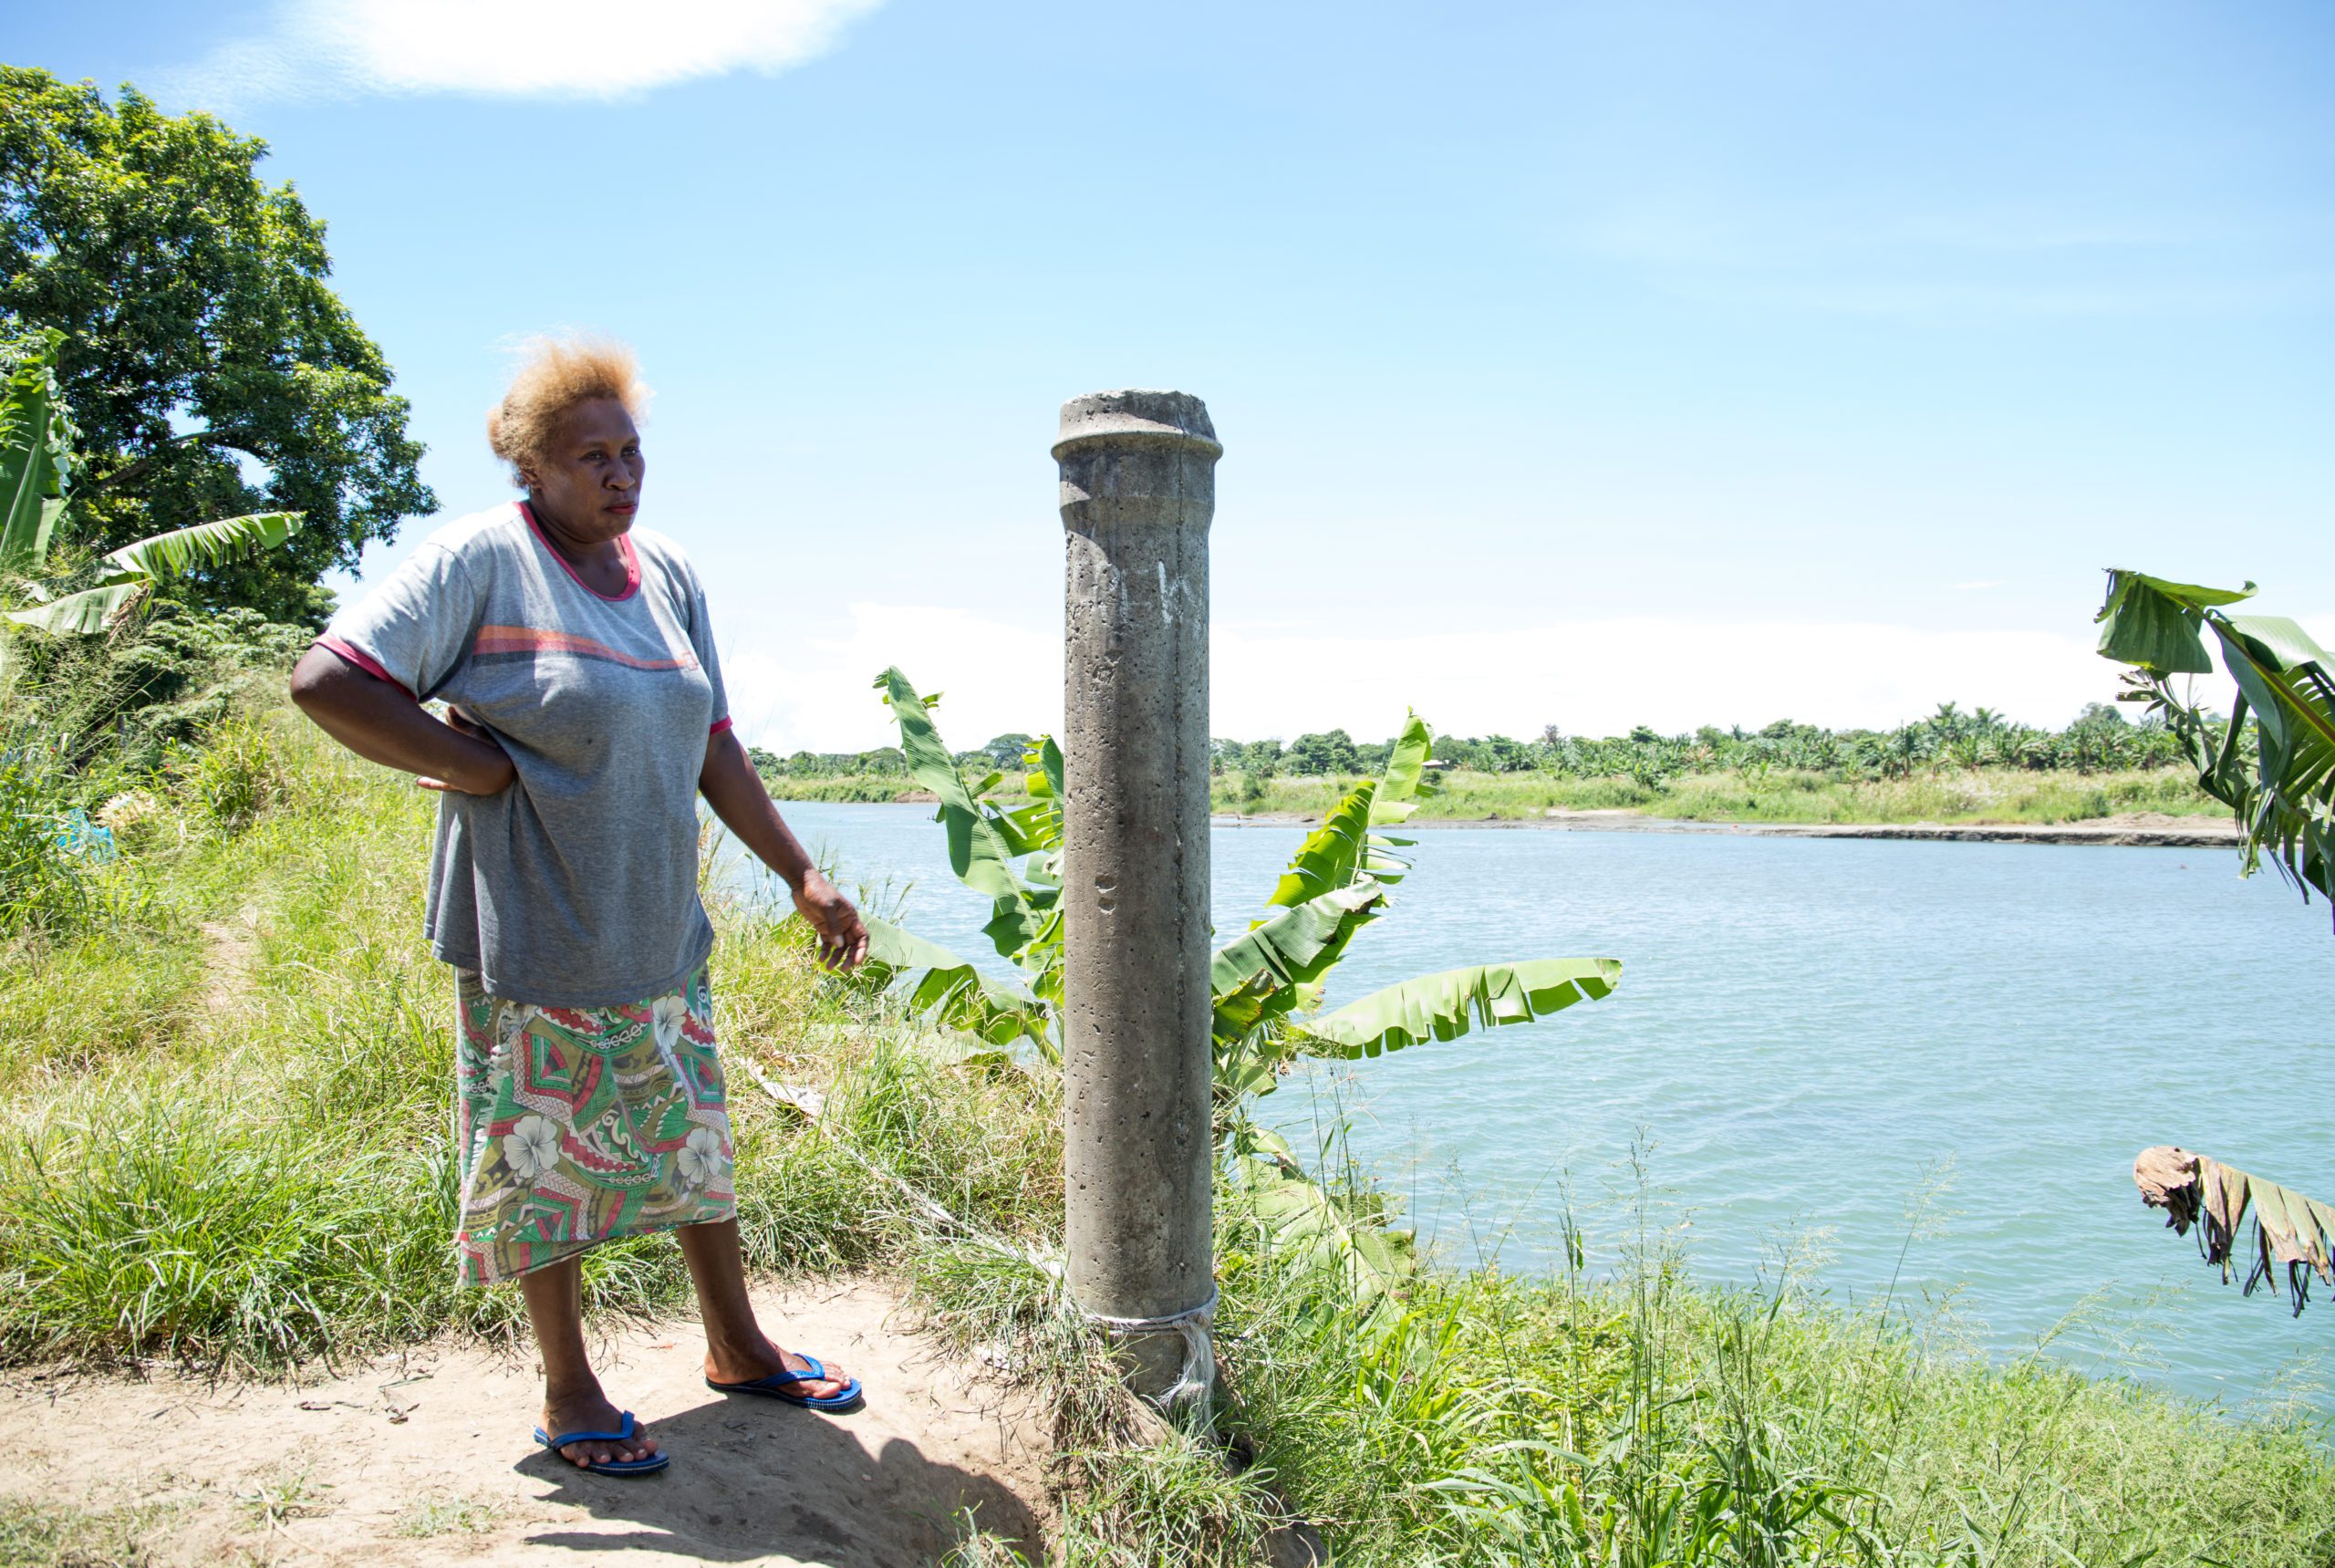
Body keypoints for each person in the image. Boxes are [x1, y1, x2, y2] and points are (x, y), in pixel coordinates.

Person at [288, 336, 870, 1477]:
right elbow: (331, 679)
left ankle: (739, 1346)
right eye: (589, 456)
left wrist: (801, 874)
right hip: (535, 921)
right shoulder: (480, 561)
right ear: (531, 470)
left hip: (655, 922)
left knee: (693, 1142)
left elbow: (710, 738)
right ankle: (568, 1390)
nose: (619, 475)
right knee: (537, 1154)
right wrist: (476, 769)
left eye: (631, 452)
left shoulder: (668, 576)